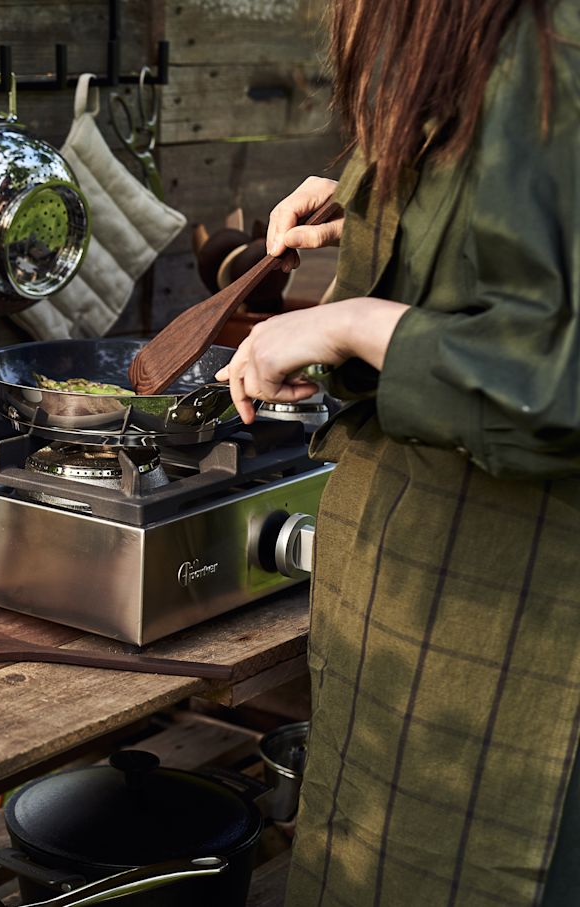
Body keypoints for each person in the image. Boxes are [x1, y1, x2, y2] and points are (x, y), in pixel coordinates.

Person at [213, 2, 580, 904]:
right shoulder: (466, 32)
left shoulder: (556, 46)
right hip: (403, 612)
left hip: (509, 628)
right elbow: (503, 228)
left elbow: (555, 377)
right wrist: (373, 200)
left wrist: (349, 321)